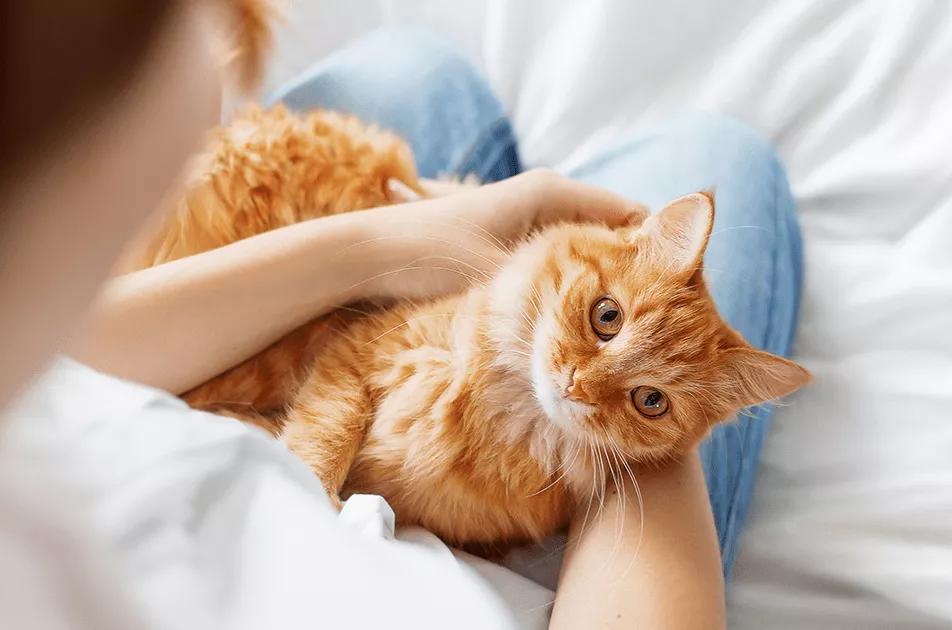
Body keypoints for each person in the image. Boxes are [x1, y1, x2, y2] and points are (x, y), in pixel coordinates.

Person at [0, 3, 801, 629]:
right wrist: (675, 402)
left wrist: (393, 241)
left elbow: (65, 359)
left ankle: (471, 204)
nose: (587, 383)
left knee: (416, 72)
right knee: (721, 151)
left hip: (357, 289)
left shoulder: (37, 445)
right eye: (603, 327)